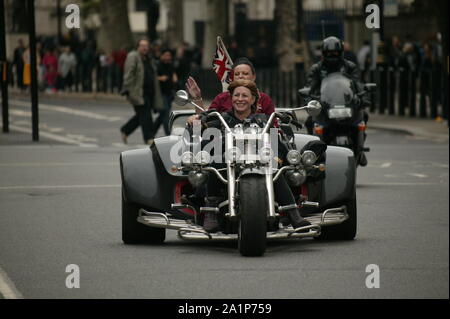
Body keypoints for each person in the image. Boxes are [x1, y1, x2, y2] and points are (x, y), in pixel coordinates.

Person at [187, 79, 312, 233]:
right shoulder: (221, 119)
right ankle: (210, 211)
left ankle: (294, 215)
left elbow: (277, 144)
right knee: (215, 162)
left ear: (253, 99)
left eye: (245, 96)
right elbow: (201, 130)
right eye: (236, 95)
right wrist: (196, 120)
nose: (240, 99)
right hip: (228, 165)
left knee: (273, 167)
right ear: (231, 98)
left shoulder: (263, 120)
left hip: (259, 164)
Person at [306, 36, 369, 166]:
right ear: (323, 53)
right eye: (329, 53)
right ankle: (313, 151)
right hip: (325, 105)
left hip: (346, 103)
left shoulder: (350, 67)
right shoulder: (317, 68)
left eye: (335, 53)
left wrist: (363, 97)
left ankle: (360, 149)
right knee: (309, 121)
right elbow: (310, 87)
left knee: (364, 116)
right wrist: (310, 99)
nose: (332, 55)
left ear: (341, 52)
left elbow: (358, 85)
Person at [185, 57, 275, 125]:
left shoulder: (265, 99)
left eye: (245, 73)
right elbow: (205, 122)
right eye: (237, 74)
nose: (240, 99)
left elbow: (274, 130)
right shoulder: (222, 98)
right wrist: (197, 98)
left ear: (253, 99)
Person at [120, 39, 163, 145]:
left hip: (149, 92)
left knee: (141, 115)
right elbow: (128, 73)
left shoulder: (148, 58)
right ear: (137, 47)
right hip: (137, 92)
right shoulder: (133, 56)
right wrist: (127, 88)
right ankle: (148, 138)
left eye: (146, 46)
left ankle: (125, 130)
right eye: (142, 45)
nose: (144, 48)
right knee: (145, 114)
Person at [154, 49, 178, 136]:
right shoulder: (157, 65)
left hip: (169, 93)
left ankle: (151, 131)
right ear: (162, 56)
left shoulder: (170, 65)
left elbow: (173, 74)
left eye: (169, 55)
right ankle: (168, 134)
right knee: (165, 113)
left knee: (163, 115)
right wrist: (160, 78)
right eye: (166, 55)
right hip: (160, 93)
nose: (168, 57)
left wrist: (174, 78)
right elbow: (152, 77)